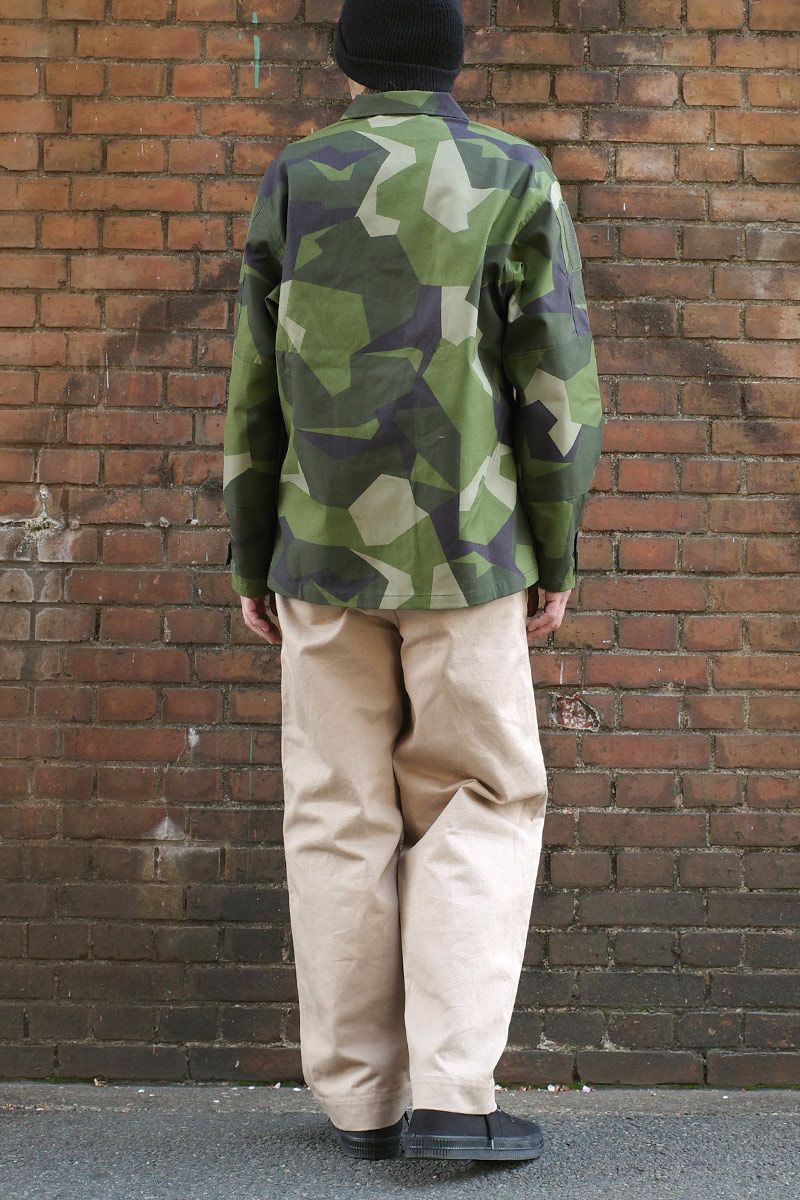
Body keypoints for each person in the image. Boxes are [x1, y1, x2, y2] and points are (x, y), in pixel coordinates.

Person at [222, 0, 603, 1164]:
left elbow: (254, 385)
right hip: (468, 547)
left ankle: (360, 1102)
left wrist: (251, 550)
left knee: (335, 814)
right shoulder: (510, 174)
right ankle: (449, 1093)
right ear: (450, 60)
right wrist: (554, 548)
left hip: (318, 548)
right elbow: (556, 381)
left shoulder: (296, 177)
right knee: (479, 800)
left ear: (346, 60)